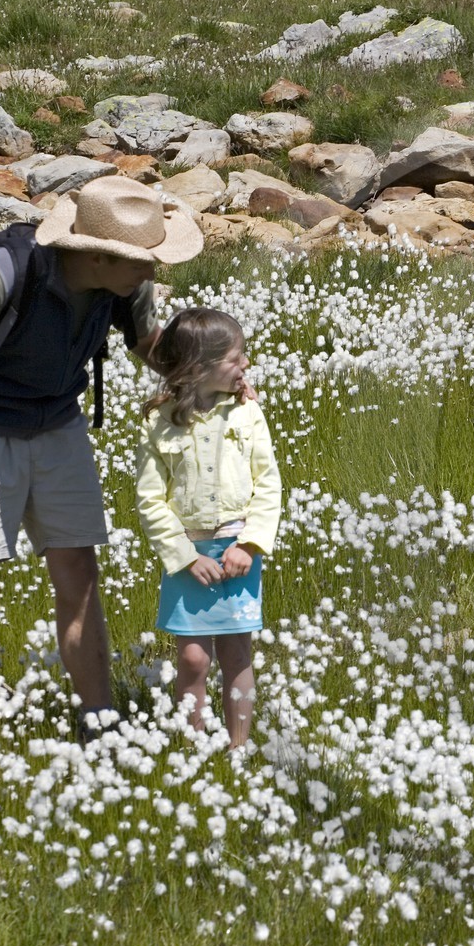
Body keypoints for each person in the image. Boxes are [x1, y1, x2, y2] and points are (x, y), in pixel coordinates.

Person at [0, 176, 204, 753]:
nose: (154, 271)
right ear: (97, 255)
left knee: (79, 578)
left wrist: (210, 379)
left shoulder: (125, 289)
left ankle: (99, 722)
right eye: (143, 260)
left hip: (60, 427)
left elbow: (148, 345)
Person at [135, 308, 281, 749]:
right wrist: (184, 556)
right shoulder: (159, 421)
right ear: (199, 368)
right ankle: (191, 750)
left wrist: (250, 544)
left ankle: (238, 748)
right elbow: (150, 498)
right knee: (194, 660)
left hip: (238, 552)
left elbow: (268, 483)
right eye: (236, 359)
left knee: (237, 654)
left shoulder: (247, 413)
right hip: (188, 559)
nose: (246, 367)